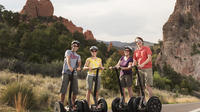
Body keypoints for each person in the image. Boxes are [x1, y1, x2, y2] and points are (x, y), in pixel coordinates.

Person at [59, 40, 81, 106]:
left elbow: (79, 63)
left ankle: (72, 104)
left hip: (74, 73)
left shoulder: (78, 56)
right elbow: (68, 59)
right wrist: (69, 66)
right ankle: (61, 105)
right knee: (64, 90)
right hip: (66, 72)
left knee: (75, 91)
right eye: (74, 45)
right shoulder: (68, 51)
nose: (75, 47)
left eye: (76, 46)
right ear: (72, 46)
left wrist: (79, 67)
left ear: (78, 48)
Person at [133, 37, 153, 103]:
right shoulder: (136, 51)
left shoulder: (147, 48)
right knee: (141, 87)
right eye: (136, 42)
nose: (138, 42)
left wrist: (143, 64)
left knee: (147, 86)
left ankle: (151, 102)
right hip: (139, 70)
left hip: (147, 69)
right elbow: (135, 61)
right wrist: (132, 65)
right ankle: (143, 102)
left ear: (142, 41)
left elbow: (149, 58)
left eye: (139, 41)